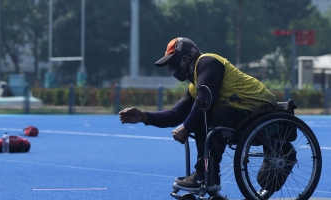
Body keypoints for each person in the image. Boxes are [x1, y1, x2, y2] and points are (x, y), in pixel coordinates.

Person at [119, 37, 277, 192]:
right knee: (202, 119)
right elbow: (176, 114)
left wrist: (186, 128)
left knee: (219, 115)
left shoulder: (208, 62)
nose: (170, 68)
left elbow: (205, 98)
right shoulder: (195, 85)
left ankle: (204, 174)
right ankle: (209, 176)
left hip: (261, 108)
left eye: (172, 62)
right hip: (243, 112)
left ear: (186, 56)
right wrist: (144, 116)